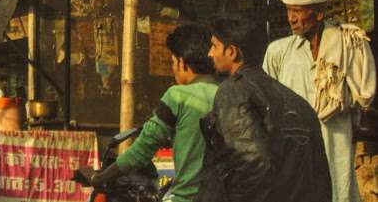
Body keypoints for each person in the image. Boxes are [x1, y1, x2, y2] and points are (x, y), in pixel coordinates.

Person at [264, 0, 376, 202]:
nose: (291, 18)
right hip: (295, 155)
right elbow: (267, 103)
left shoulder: (349, 46)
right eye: (288, 10)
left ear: (320, 13)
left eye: (297, 11)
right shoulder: (278, 52)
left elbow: (364, 97)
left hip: (337, 150)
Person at [76, 24, 218, 202]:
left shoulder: (178, 96)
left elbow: (141, 150)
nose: (173, 69)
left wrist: (100, 177)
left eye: (173, 62)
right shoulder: (228, 91)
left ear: (182, 62)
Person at [197, 15, 331, 202]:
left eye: (215, 46)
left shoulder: (234, 90)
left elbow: (252, 163)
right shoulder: (294, 99)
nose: (210, 53)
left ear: (232, 52)